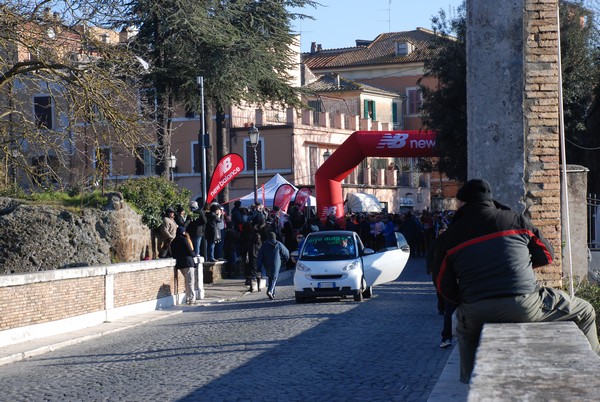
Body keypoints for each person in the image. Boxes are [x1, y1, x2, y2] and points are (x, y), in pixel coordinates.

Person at [433, 179, 600, 384]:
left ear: (462, 203)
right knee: (585, 310)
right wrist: (518, 268)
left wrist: (466, 298)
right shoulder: (514, 219)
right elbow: (548, 255)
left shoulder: (450, 236)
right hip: (525, 305)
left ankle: (469, 382)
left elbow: (442, 284)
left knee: (465, 332)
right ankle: (595, 375)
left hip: (476, 310)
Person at [257, 232, 289, 300]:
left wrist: (259, 266)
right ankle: (270, 291)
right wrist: (284, 261)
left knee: (270, 277)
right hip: (276, 263)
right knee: (274, 278)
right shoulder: (279, 244)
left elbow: (259, 256)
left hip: (267, 264)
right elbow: (286, 253)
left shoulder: (264, 245)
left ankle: (273, 293)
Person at [170, 226, 196, 305]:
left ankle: (187, 298)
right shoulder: (184, 239)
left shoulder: (173, 242)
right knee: (190, 282)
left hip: (180, 264)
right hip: (188, 263)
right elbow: (189, 251)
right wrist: (194, 254)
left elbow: (173, 254)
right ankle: (191, 299)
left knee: (186, 281)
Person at [239, 221, 262, 291]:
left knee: (249, 270)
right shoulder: (255, 234)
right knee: (257, 270)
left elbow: (241, 243)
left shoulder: (244, 234)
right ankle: (259, 287)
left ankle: (250, 284)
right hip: (256, 254)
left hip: (247, 254)